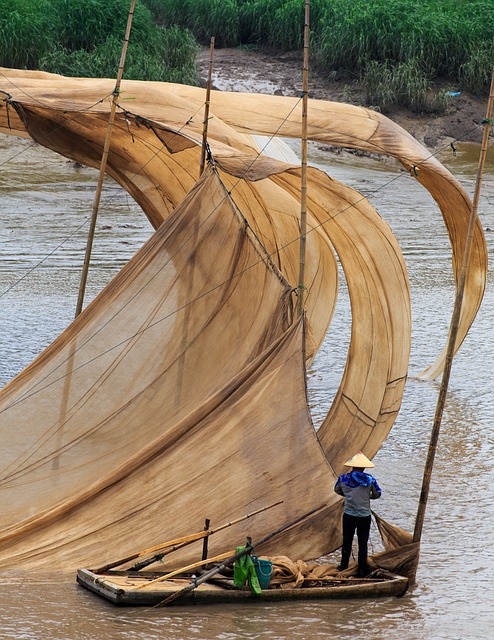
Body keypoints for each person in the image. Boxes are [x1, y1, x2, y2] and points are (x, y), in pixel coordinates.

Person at [334, 451, 381, 577]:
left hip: (349, 515)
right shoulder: (370, 480)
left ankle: (343, 567)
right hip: (364, 516)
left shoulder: (343, 479)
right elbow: (377, 494)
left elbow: (337, 490)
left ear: (352, 466)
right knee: (362, 543)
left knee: (347, 541)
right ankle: (361, 570)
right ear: (364, 467)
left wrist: (349, 496)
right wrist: (367, 496)